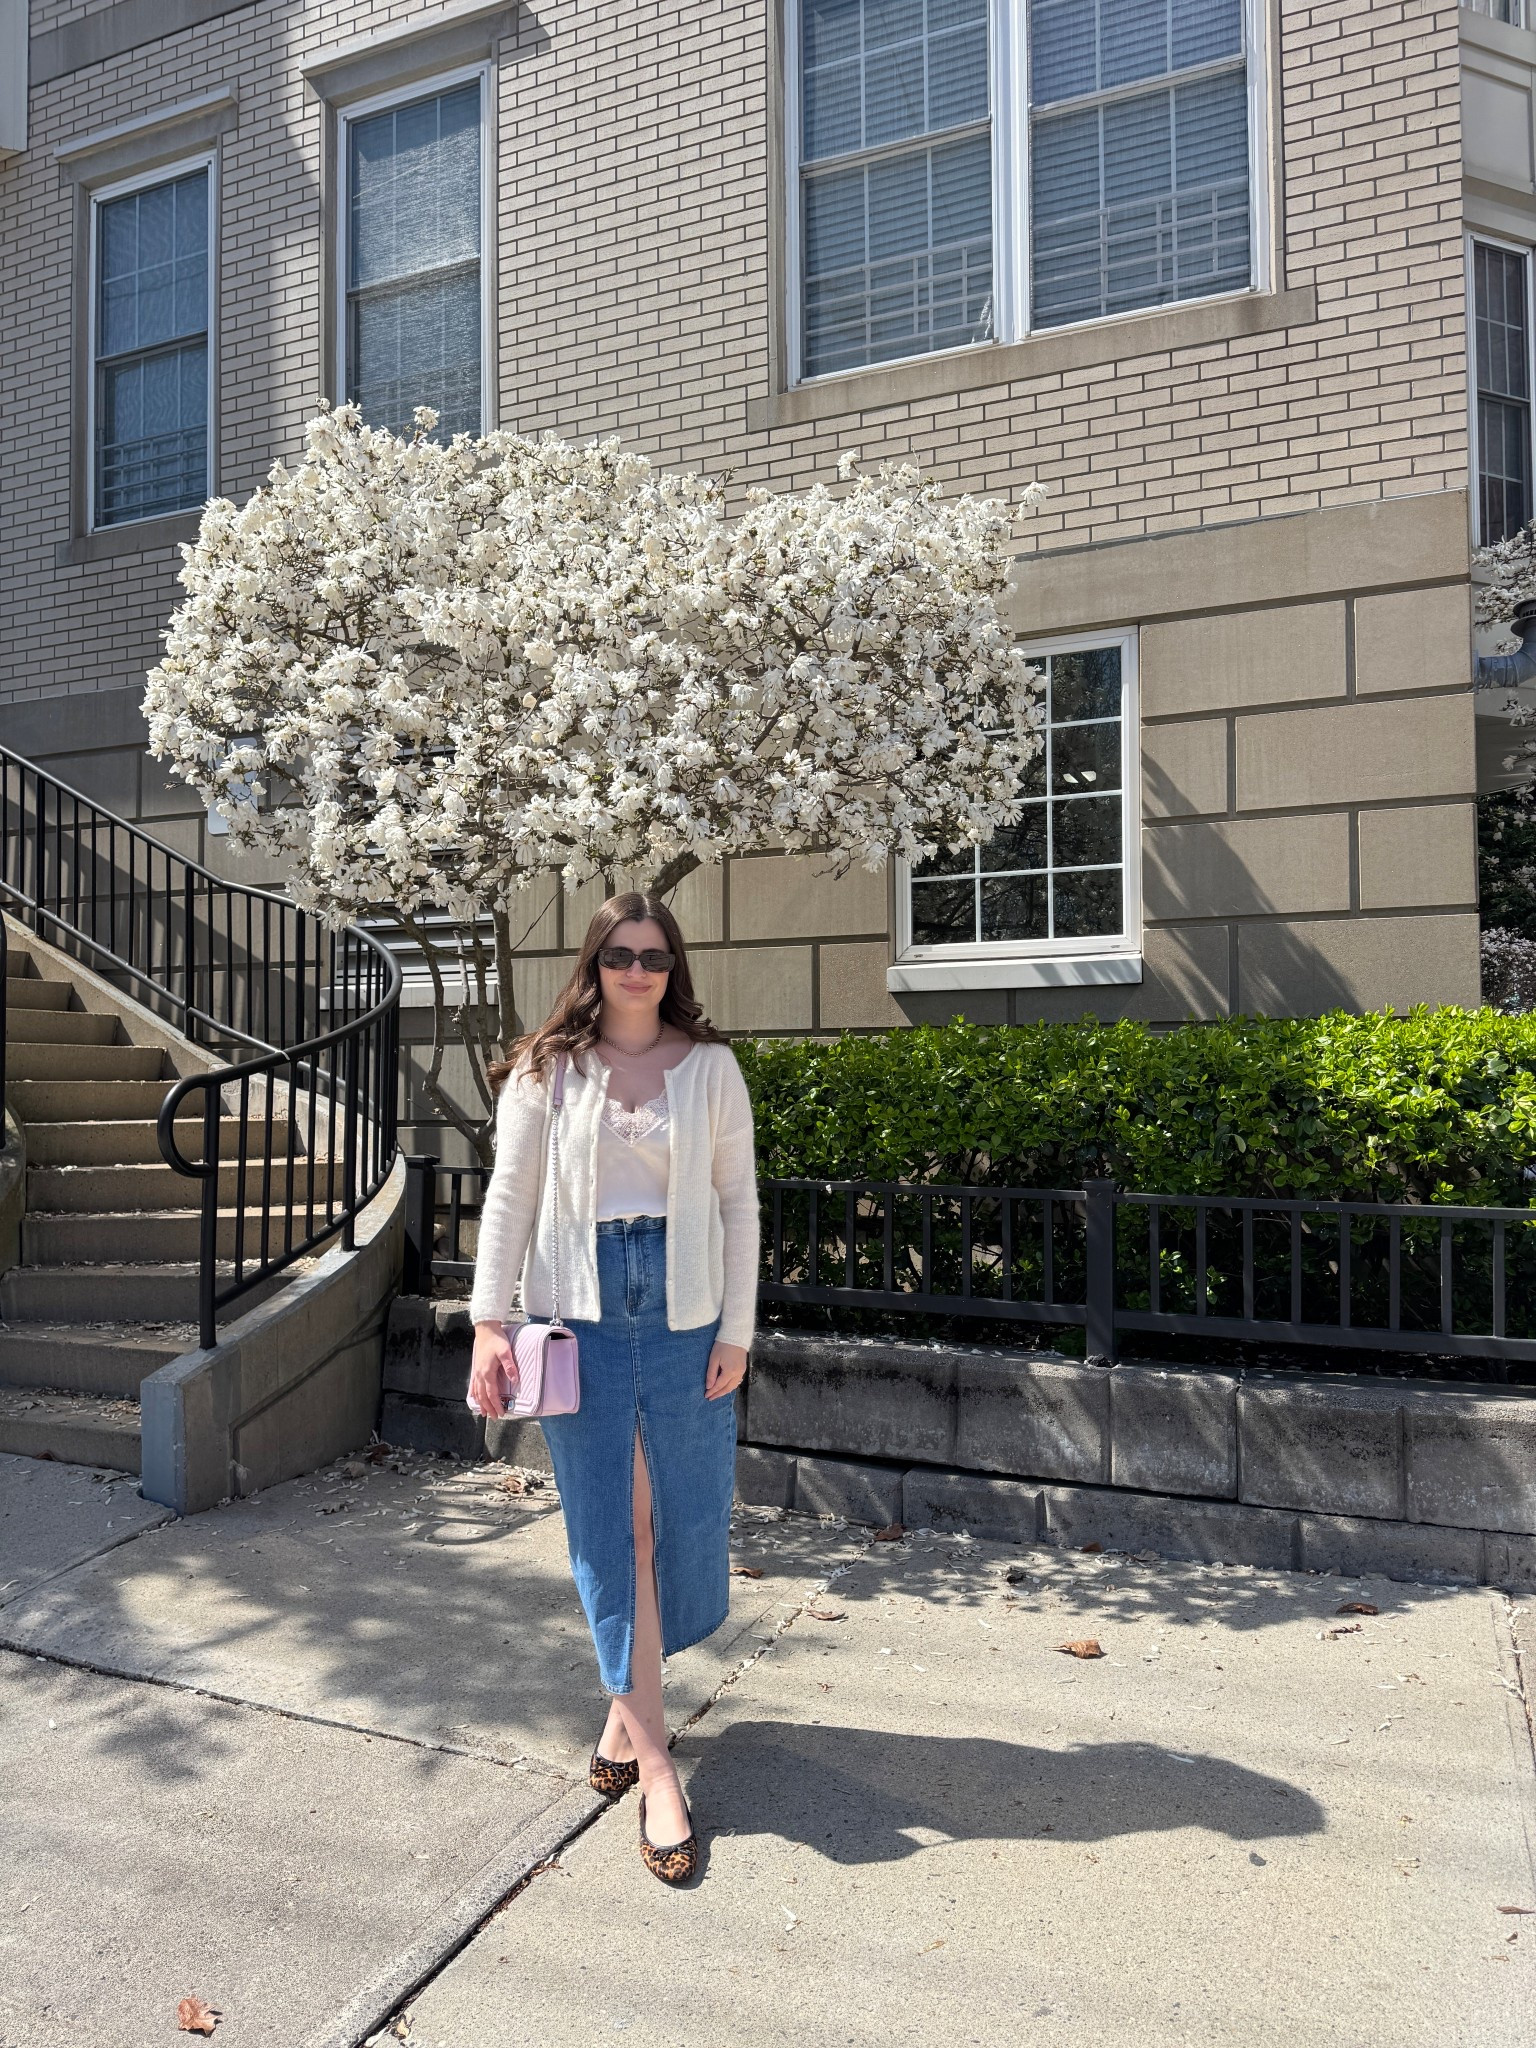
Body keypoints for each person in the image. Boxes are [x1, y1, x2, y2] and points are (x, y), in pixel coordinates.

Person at [467, 891, 759, 1886]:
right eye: (621, 954)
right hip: (579, 1313)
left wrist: (739, 1328)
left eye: (656, 955)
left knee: (681, 1519)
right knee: (612, 1526)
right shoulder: (548, 1071)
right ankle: (658, 1762)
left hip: (683, 1313)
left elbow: (737, 1200)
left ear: (676, 965)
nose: (639, 969)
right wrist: (487, 1320)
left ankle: (621, 1714)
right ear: (593, 964)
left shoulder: (711, 1067)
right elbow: (508, 1195)